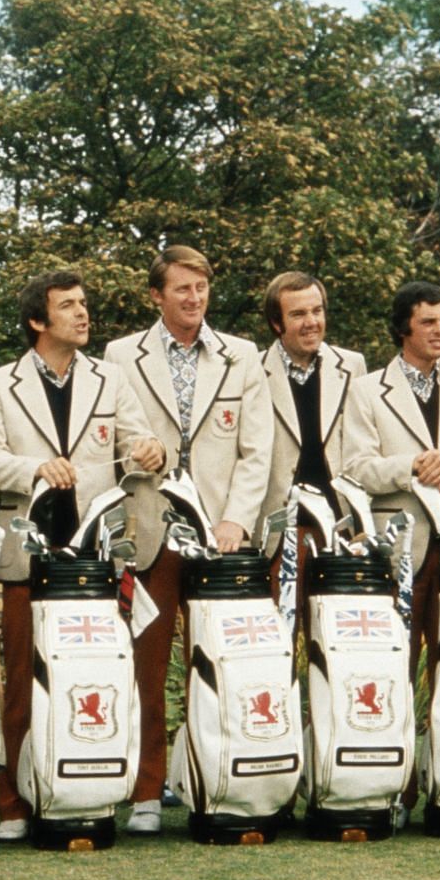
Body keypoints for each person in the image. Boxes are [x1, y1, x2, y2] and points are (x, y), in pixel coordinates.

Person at [0, 270, 163, 841]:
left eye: (84, 303)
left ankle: (87, 792)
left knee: (94, 673)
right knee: (23, 676)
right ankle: (12, 803)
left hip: (95, 554)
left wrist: (152, 448)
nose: (83, 314)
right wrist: (34, 467)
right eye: (69, 306)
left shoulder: (111, 378)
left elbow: (139, 441)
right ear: (37, 321)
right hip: (28, 551)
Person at [103, 246, 271, 834]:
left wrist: (236, 522)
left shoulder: (242, 356)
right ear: (157, 295)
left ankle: (213, 781)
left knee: (222, 666)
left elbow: (257, 451)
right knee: (147, 667)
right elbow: (113, 439)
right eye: (181, 289)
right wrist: (134, 453)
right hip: (150, 529)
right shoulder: (122, 355)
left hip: (221, 536)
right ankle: (147, 790)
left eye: (201, 288)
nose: (194, 298)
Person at [341, 282, 440, 691]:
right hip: (401, 546)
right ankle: (400, 752)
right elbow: (357, 469)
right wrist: (416, 465)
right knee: (397, 665)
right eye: (428, 322)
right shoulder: (367, 390)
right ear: (403, 328)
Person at [257, 271, 366, 608]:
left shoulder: (353, 366)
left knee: (339, 640)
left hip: (341, 529)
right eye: (298, 314)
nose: (311, 322)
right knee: (280, 639)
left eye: (317, 311)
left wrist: (362, 525)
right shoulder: (254, 370)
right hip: (280, 531)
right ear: (277, 323)